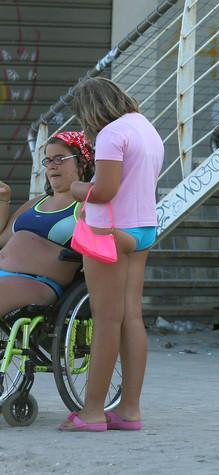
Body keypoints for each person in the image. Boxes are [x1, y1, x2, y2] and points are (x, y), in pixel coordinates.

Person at [60, 77, 163, 432]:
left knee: (105, 321)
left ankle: (92, 412)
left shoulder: (111, 134)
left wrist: (74, 187)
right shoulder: (146, 128)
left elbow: (104, 191)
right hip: (142, 229)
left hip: (109, 233)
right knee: (131, 317)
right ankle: (130, 410)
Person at [0, 132, 94, 316]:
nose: (52, 165)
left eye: (59, 159)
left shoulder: (86, 206)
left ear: (82, 162)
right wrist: (3, 200)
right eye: (48, 160)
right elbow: (2, 239)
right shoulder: (35, 203)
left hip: (37, 282)